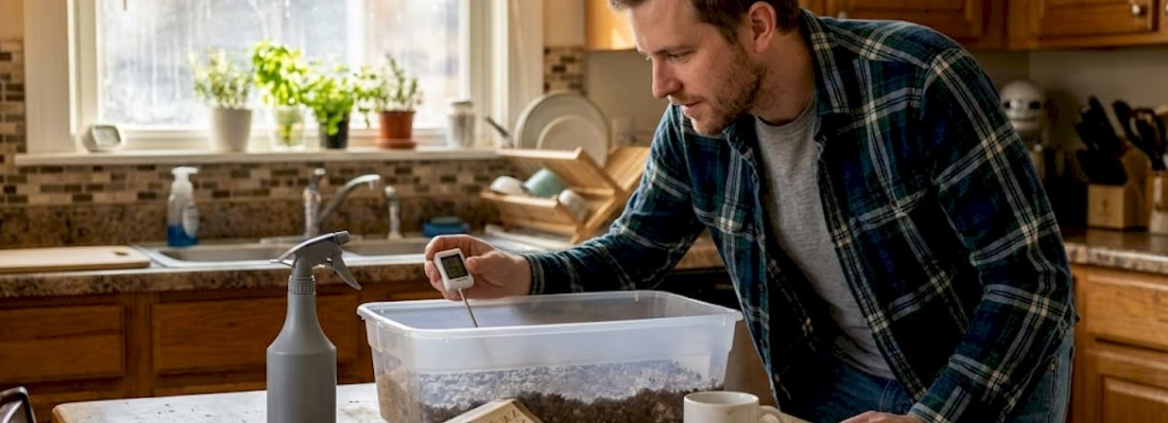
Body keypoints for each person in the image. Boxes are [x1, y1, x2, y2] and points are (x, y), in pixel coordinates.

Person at [424, 1, 1077, 422]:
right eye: (649, 59)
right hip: (839, 384)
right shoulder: (693, 127)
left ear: (758, 26)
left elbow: (1031, 279)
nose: (660, 86)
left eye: (678, 55)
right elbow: (636, 249)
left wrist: (933, 417)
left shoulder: (919, 81)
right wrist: (524, 273)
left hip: (983, 382)